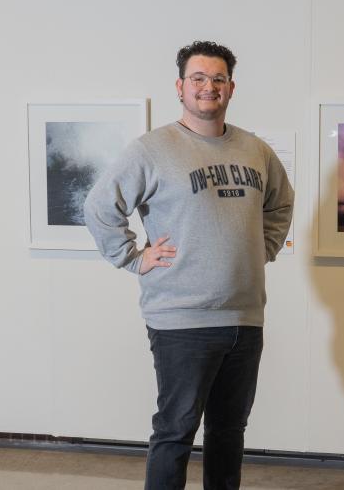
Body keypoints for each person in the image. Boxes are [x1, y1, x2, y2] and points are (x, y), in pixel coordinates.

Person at [83, 40, 294, 490]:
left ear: (231, 88)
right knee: (175, 432)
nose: (208, 87)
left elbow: (281, 204)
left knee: (229, 432)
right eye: (198, 78)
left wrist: (265, 248)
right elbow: (100, 207)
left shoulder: (255, 150)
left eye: (218, 79)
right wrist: (133, 259)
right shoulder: (152, 149)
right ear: (180, 87)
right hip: (181, 320)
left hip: (245, 317)